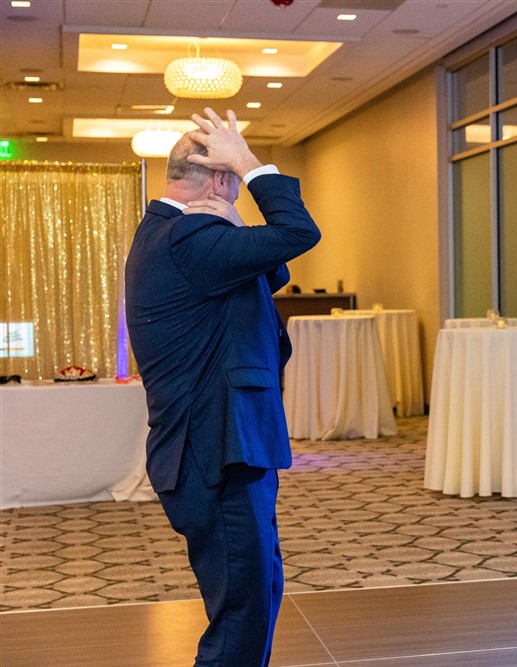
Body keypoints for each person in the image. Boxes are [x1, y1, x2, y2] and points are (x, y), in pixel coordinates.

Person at [125, 108, 321, 666]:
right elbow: (298, 233)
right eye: (234, 175)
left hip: (218, 451)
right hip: (215, 457)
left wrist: (235, 224)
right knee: (240, 620)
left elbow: (266, 268)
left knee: (254, 600)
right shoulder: (189, 237)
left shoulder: (171, 234)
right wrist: (253, 165)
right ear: (220, 180)